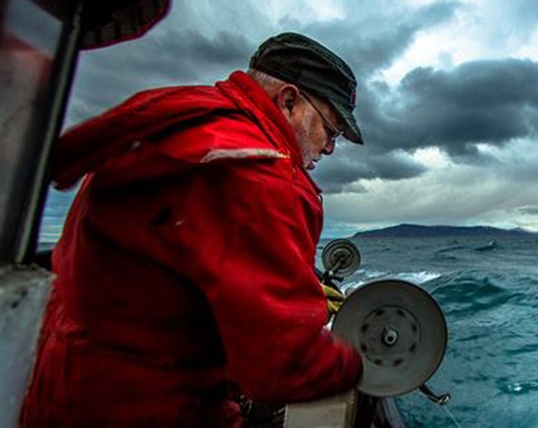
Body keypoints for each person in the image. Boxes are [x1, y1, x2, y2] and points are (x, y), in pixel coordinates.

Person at [21, 32, 364, 428]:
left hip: (64, 379)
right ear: (288, 100)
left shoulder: (175, 126)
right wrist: (360, 360)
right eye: (331, 131)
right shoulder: (258, 177)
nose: (329, 149)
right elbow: (281, 366)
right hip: (148, 406)